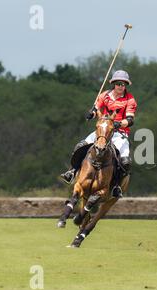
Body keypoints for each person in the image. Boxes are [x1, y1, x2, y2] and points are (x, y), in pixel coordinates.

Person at [60, 70, 137, 198]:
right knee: (80, 146)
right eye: (118, 83)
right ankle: (72, 171)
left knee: (125, 162)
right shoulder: (104, 95)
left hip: (120, 133)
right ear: (113, 84)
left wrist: (117, 124)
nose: (121, 86)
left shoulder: (130, 99)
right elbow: (96, 109)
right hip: (102, 130)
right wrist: (92, 113)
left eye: (123, 84)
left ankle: (116, 186)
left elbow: (130, 120)